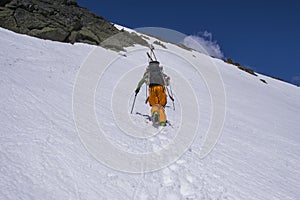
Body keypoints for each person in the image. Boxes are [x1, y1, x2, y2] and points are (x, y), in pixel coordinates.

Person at [135, 60, 170, 126]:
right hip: (161, 89)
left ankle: (155, 112)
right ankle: (162, 121)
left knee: (154, 104)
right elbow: (167, 83)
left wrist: (137, 89)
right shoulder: (160, 73)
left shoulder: (149, 73)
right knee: (161, 105)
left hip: (152, 89)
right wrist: (168, 80)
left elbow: (141, 81)